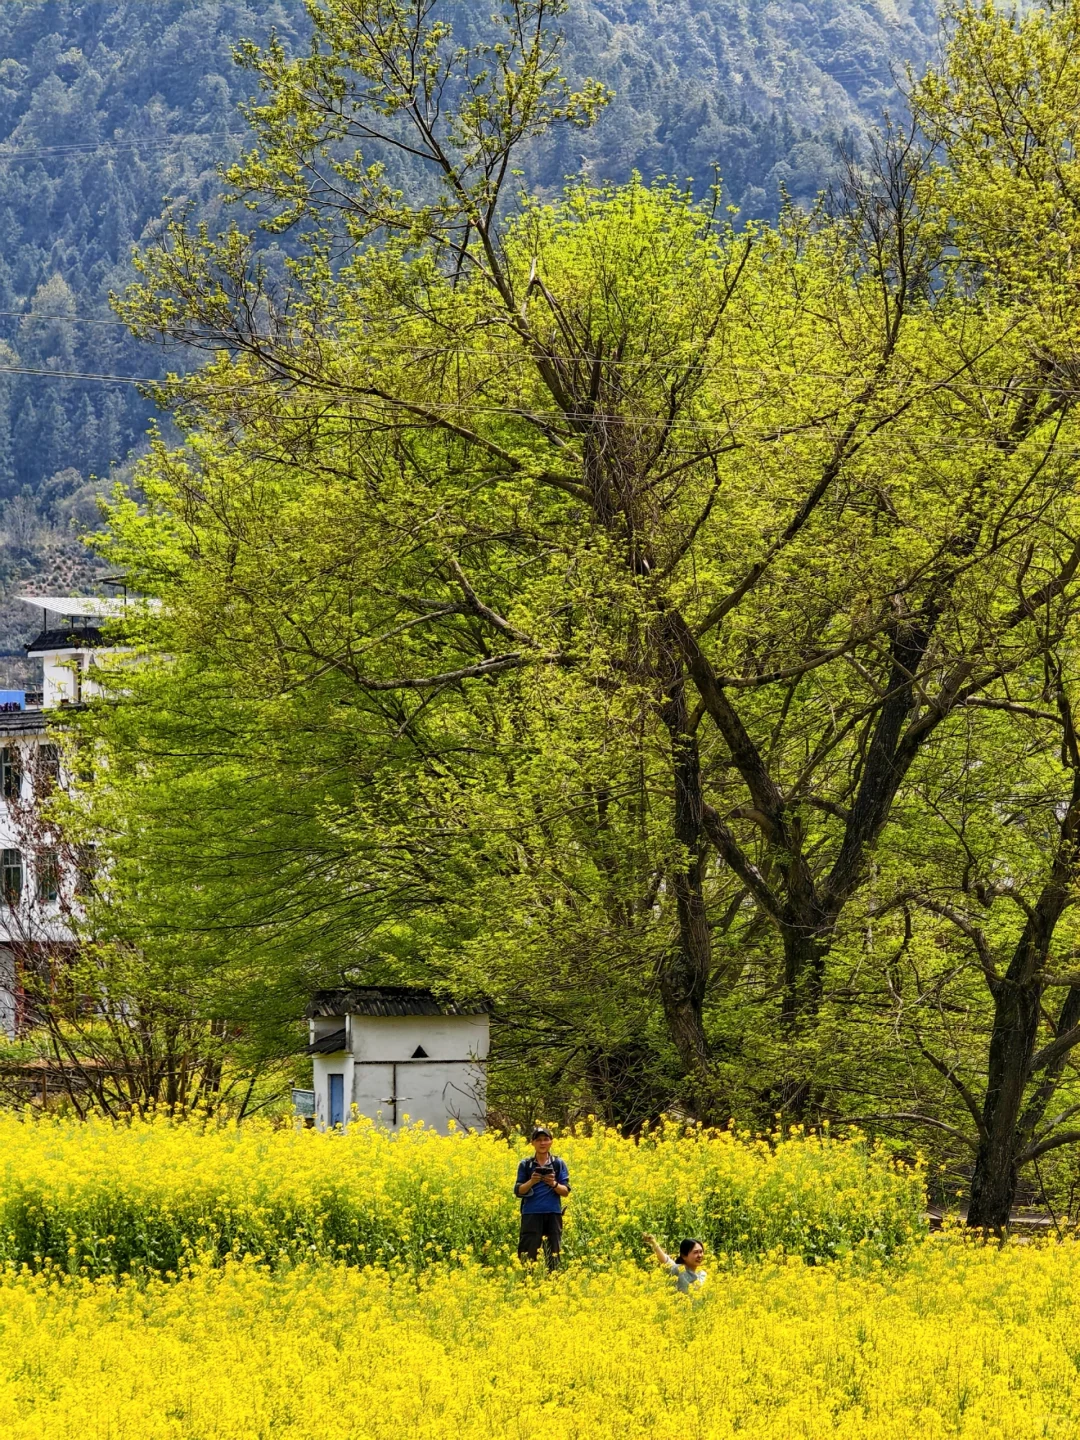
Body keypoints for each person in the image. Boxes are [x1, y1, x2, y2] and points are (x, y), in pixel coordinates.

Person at [514, 1126, 570, 1268]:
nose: (542, 1143)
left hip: (553, 1214)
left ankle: (553, 1286)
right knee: (527, 1256)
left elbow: (565, 1191)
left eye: (546, 1139)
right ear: (532, 1143)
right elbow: (518, 1191)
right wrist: (532, 1181)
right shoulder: (525, 1165)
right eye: (538, 1140)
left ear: (551, 1142)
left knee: (554, 1256)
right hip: (531, 1215)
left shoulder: (558, 1163)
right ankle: (527, 1286)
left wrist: (553, 1183)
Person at [643, 1233, 707, 1292]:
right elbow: (664, 1260)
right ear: (684, 1256)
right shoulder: (679, 1269)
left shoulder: (702, 1274)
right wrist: (653, 1243)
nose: (700, 1255)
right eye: (695, 1252)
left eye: (701, 1252)